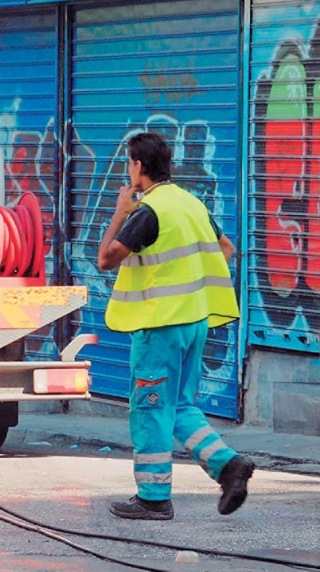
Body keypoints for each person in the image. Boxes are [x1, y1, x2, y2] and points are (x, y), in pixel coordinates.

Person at [97, 131, 253, 521]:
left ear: (138, 166)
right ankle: (228, 465)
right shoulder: (191, 203)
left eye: (128, 164)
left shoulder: (149, 212)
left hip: (160, 326)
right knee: (178, 405)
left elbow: (105, 259)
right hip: (194, 321)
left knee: (150, 408)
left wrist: (120, 212)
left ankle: (153, 497)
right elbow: (227, 249)